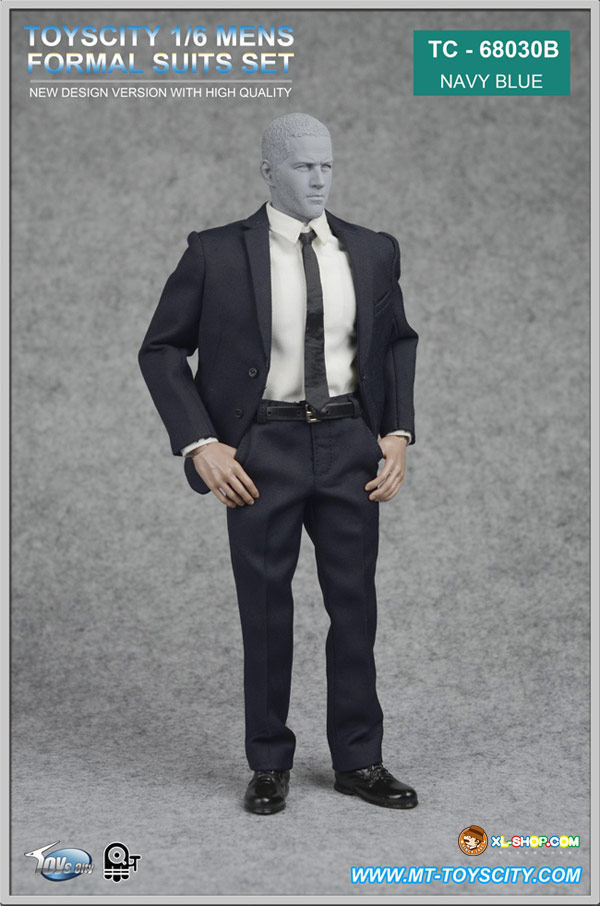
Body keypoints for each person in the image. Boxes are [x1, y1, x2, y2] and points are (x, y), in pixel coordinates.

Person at [138, 112, 419, 815]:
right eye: (302, 166)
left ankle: (359, 758)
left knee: (355, 606)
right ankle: (268, 762)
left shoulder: (373, 250)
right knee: (265, 610)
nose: (319, 179)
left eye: (327, 165)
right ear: (269, 171)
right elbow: (161, 347)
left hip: (351, 444)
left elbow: (395, 341)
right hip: (262, 449)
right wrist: (201, 442)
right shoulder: (215, 252)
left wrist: (396, 432)